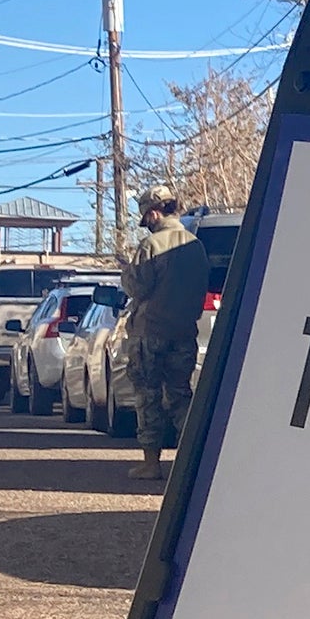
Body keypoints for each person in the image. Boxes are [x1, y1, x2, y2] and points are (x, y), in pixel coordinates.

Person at [116, 188, 202, 485]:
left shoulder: (151, 245)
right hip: (184, 331)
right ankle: (193, 459)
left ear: (153, 213)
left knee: (148, 395)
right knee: (180, 395)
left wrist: (126, 271)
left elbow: (137, 287)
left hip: (150, 332)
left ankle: (151, 463)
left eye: (146, 218)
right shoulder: (196, 246)